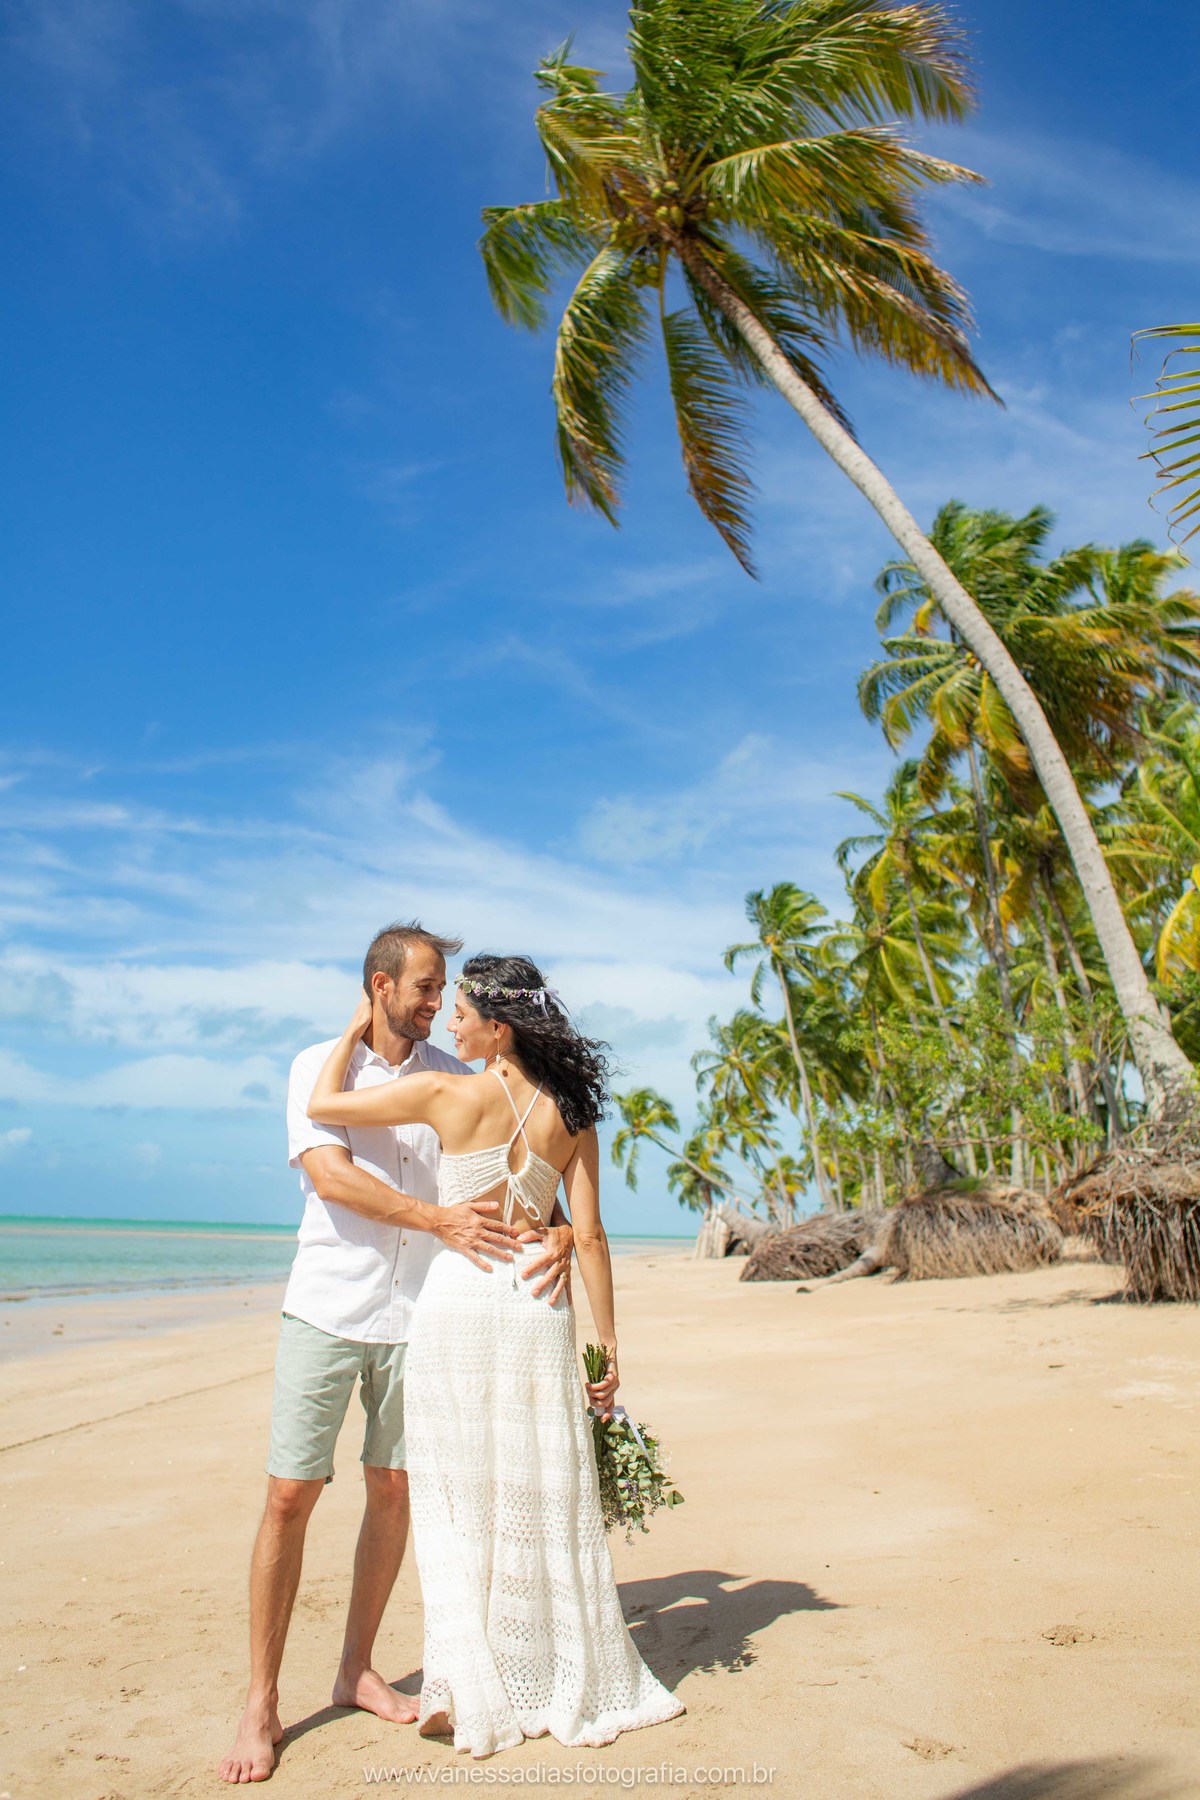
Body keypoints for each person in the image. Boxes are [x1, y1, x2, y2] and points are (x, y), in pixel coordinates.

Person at [218, 923, 574, 1784]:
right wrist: (436, 1219)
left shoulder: (459, 1074)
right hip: (328, 1306)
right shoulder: (317, 1065)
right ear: (381, 986)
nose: (438, 1003)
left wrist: (562, 1231)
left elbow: (525, 1173)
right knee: (290, 1495)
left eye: (444, 989)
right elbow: (331, 1176)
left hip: (425, 1320)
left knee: (395, 1490)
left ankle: (356, 1669)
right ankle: (261, 1701)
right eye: (425, 987)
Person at [306, 951, 685, 1758]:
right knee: (539, 1488)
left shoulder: (447, 1095)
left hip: (460, 1300)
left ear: (499, 1027)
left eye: (464, 1014)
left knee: (457, 1499)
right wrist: (606, 1344)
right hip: (537, 1305)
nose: (450, 1024)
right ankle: (546, 1672)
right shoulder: (574, 1112)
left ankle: (473, 1680)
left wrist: (353, 1028)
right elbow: (589, 1236)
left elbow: (323, 1104)